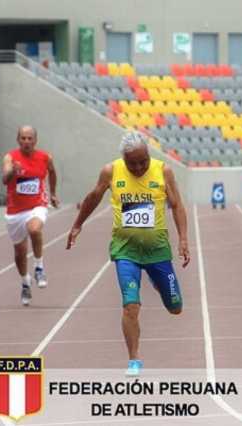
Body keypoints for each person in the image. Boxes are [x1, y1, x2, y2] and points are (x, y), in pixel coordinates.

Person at [66, 131, 190, 376]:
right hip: (125, 251)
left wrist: (183, 239)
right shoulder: (111, 171)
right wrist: (78, 224)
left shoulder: (163, 171)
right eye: (132, 163)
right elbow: (93, 197)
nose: (138, 167)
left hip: (157, 250)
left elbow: (176, 205)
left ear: (148, 156)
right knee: (130, 305)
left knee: (176, 307)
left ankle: (155, 279)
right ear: (123, 159)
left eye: (142, 161)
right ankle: (134, 359)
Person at [2, 126, 59, 306]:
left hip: (37, 205)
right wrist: (13, 171)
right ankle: (25, 281)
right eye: (23, 138)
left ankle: (39, 267)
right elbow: (4, 179)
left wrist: (54, 193)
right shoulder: (10, 157)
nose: (26, 141)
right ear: (18, 140)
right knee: (19, 253)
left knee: (34, 229)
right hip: (14, 212)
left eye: (29, 138)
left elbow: (53, 172)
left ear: (35, 140)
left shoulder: (45, 157)